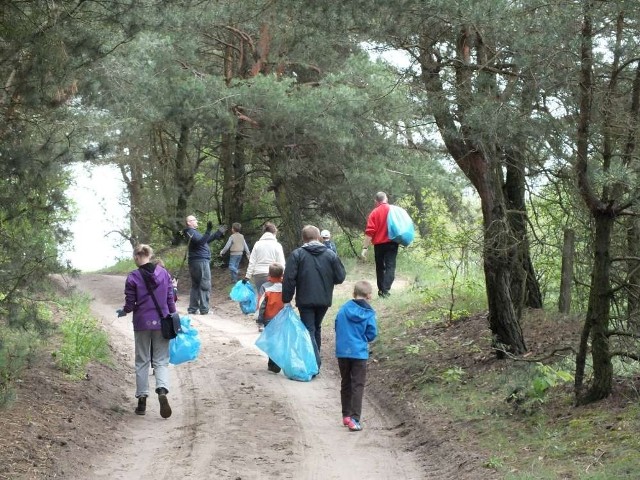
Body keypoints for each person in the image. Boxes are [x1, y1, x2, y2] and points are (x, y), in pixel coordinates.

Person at [116, 244, 176, 418]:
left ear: (136, 257)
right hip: (162, 321)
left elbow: (130, 302)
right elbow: (170, 297)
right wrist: (173, 315)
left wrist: (125, 311)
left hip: (142, 322)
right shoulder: (163, 273)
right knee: (161, 360)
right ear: (150, 255)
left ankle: (142, 400)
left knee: (142, 360)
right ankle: (162, 390)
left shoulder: (133, 276)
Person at [282, 225, 346, 371]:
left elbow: (289, 279)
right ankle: (314, 360)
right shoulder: (330, 255)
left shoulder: (297, 254)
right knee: (316, 327)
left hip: (305, 299)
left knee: (309, 329)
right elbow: (340, 277)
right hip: (324, 299)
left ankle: (315, 362)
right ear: (318, 237)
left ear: (303, 238)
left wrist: (286, 298)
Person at [335, 280, 378, 432]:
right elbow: (372, 333)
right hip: (359, 353)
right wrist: (363, 339)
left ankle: (346, 415)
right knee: (358, 385)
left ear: (354, 294)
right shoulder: (369, 313)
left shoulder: (344, 308)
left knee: (345, 381)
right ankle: (355, 419)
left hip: (342, 351)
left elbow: (336, 325)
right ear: (369, 296)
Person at [183, 215, 227, 315]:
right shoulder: (190, 231)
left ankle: (193, 308)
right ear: (189, 222)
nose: (196, 221)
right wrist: (208, 230)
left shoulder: (192, 232)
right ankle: (204, 309)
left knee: (196, 285)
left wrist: (217, 233)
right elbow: (201, 242)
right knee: (204, 284)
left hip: (196, 261)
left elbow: (205, 240)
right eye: (194, 220)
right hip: (200, 261)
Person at [361, 191, 398, 298]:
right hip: (392, 243)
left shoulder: (374, 213)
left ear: (376, 201)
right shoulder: (393, 210)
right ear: (386, 198)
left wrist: (365, 247)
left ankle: (382, 290)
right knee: (390, 267)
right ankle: (385, 290)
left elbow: (369, 232)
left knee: (380, 268)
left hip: (379, 245)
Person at [256, 262, 285, 373]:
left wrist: (260, 319)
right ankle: (277, 363)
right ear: (282, 274)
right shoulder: (285, 286)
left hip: (269, 318)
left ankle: (271, 364)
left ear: (269, 273)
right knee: (279, 340)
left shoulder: (265, 287)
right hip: (282, 317)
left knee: (271, 341)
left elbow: (262, 304)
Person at [245, 222, 286, 294]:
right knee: (273, 298)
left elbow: (252, 261)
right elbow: (281, 263)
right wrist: (283, 275)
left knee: (262, 298)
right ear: (274, 233)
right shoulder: (277, 245)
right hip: (273, 274)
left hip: (258, 275)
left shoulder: (257, 244)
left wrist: (247, 276)